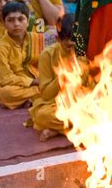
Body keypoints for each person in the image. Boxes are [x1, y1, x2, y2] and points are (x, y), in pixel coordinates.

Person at [29, 13, 78, 141]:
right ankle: (79, 128)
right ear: (58, 39)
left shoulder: (89, 51)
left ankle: (60, 129)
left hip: (86, 103)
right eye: (69, 46)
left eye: (76, 45)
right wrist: (63, 77)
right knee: (42, 115)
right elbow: (45, 94)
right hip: (57, 104)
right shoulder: (47, 55)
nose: (74, 50)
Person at [0, 1, 43, 109]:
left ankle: (32, 98)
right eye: (10, 20)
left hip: (39, 79)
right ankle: (41, 95)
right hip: (15, 84)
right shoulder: (0, 47)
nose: (16, 24)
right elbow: (5, 78)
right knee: (6, 94)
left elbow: (47, 63)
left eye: (21, 19)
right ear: (4, 23)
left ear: (28, 21)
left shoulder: (37, 39)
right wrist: (33, 82)